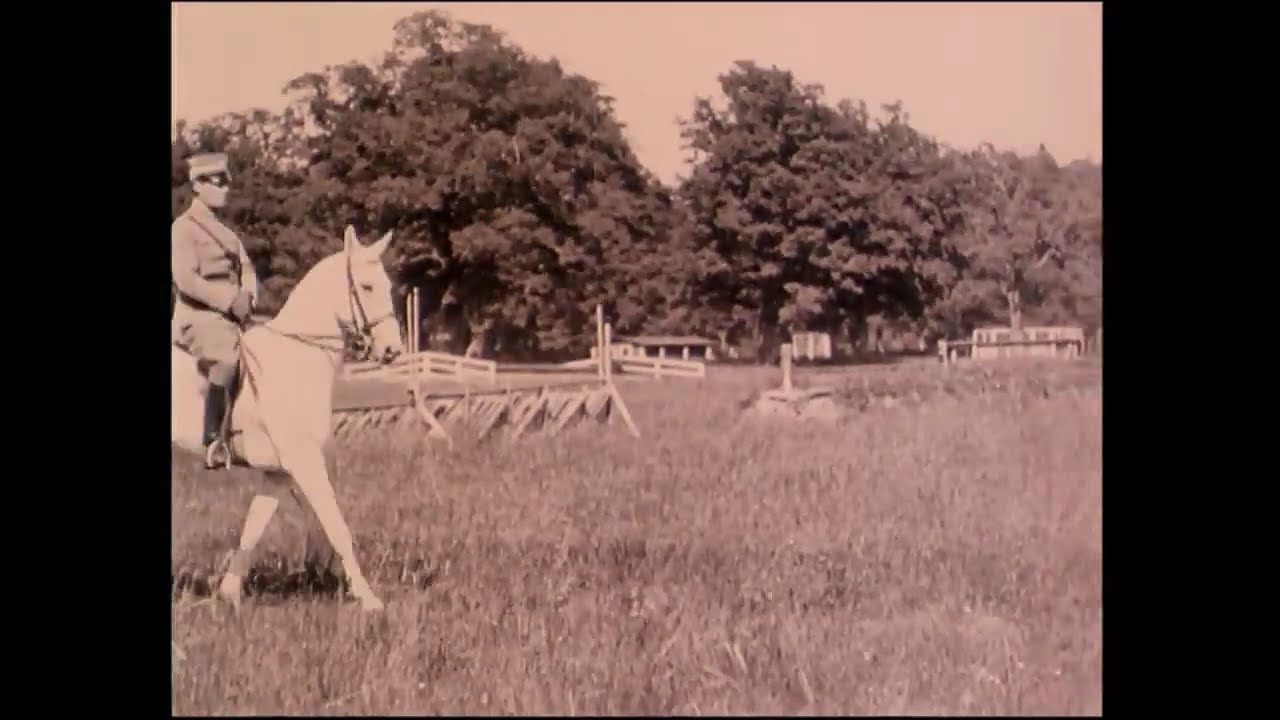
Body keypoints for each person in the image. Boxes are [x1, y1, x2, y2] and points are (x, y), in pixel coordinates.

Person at [171, 152, 258, 469]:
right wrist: (228, 300)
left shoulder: (228, 234)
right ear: (197, 185)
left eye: (226, 182)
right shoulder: (183, 228)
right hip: (198, 316)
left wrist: (248, 295)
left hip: (231, 315)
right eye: (217, 182)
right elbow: (186, 279)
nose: (225, 189)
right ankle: (214, 442)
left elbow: (247, 269)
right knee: (227, 358)